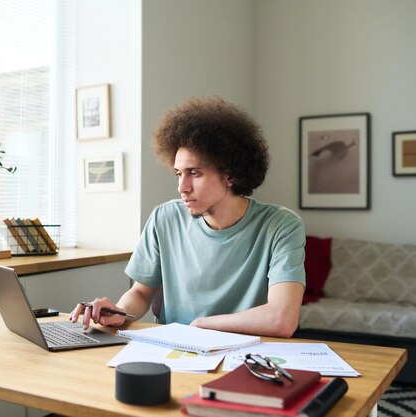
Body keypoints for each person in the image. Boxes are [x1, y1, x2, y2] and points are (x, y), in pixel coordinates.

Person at [69, 96, 306, 338]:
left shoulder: (281, 226)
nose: (182, 187)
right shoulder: (165, 218)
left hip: (245, 354)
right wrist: (120, 310)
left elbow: (282, 319)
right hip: (171, 350)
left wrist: (204, 324)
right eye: (178, 174)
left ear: (231, 174)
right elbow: (140, 293)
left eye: (194, 173)